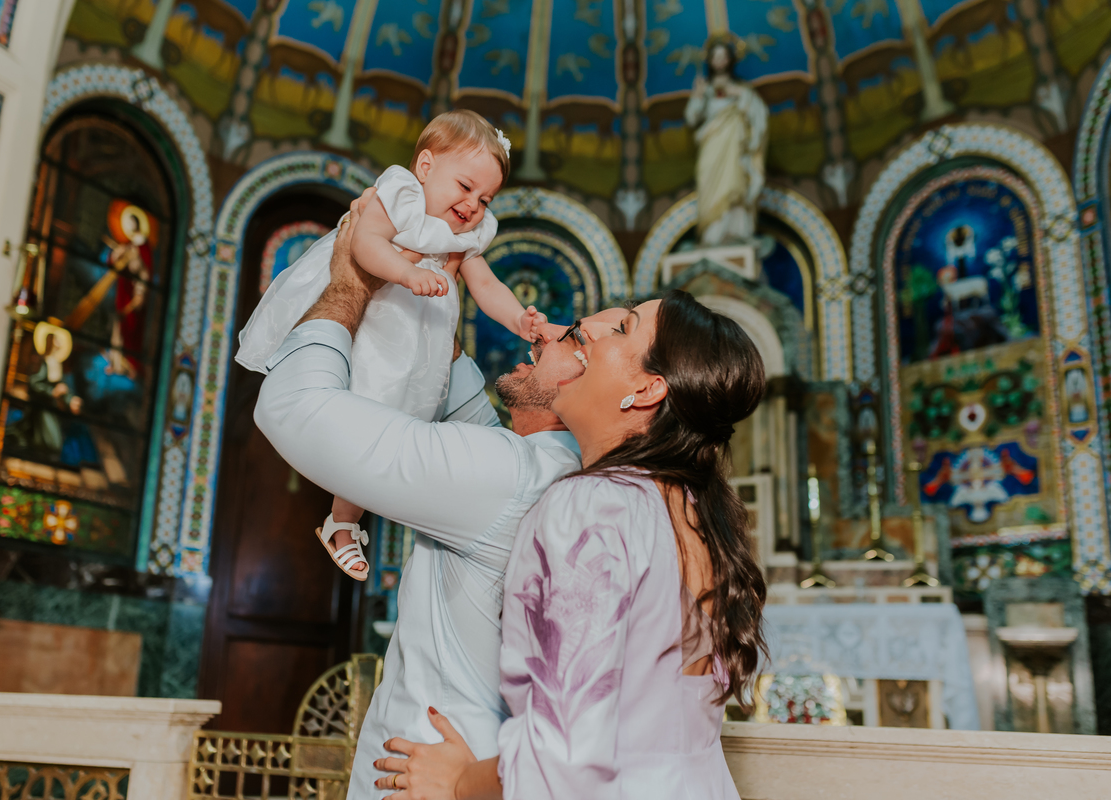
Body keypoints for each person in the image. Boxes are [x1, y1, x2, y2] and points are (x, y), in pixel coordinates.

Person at [252, 188, 620, 800]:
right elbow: (453, 393)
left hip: (435, 767)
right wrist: (423, 304)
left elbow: (293, 407)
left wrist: (350, 282)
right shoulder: (542, 466)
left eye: (575, 340)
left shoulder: (512, 476)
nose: (544, 335)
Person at [373, 291, 769, 799]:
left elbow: (563, 756)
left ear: (648, 389)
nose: (591, 339)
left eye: (621, 329)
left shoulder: (593, 507)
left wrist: (457, 783)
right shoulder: (694, 512)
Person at [240, 109, 547, 582]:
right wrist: (407, 272)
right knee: (356, 415)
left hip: (416, 347)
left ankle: (342, 521)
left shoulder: (463, 237)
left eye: (485, 199)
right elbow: (365, 245)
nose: (473, 205)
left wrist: (518, 320)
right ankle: (342, 521)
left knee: (387, 429)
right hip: (376, 327)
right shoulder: (400, 195)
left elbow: (486, 287)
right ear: (426, 167)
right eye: (465, 187)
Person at [685, 37, 768, 247]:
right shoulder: (705, 89)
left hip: (735, 145)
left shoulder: (742, 89)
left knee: (735, 183)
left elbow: (759, 116)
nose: (720, 61)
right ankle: (711, 234)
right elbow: (691, 118)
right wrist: (697, 96)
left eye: (724, 56)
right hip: (712, 144)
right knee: (709, 183)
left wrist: (741, 95)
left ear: (731, 60)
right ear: (710, 61)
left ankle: (735, 231)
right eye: (715, 56)